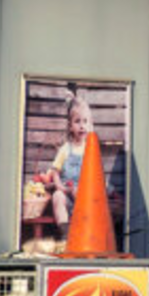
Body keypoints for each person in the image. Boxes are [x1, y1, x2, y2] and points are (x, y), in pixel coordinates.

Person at [37, 89, 96, 232]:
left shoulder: (90, 150)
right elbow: (55, 172)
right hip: (66, 192)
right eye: (77, 121)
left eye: (85, 121)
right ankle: (65, 230)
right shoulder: (65, 149)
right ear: (70, 127)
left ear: (90, 125)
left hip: (83, 195)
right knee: (57, 197)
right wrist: (60, 188)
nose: (81, 126)